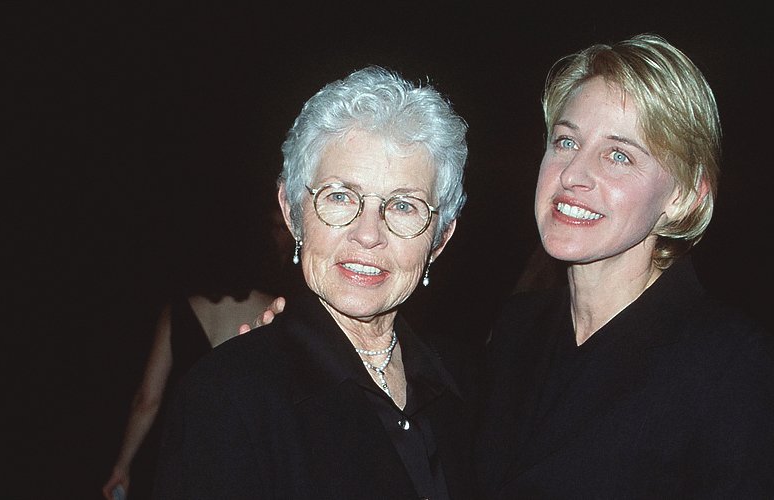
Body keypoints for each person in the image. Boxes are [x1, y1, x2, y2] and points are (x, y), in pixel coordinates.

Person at [152, 65, 477, 499]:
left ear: (439, 240)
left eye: (403, 206)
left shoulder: (470, 385)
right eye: (340, 196)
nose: (368, 234)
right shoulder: (227, 397)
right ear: (292, 211)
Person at [472, 33, 774, 497]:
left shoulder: (733, 366)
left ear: (682, 197)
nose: (572, 174)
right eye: (566, 141)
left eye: (618, 155)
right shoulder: (515, 331)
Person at [102, 207, 293, 500]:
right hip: (253, 465)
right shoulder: (280, 312)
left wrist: (122, 465)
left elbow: (147, 400)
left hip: (189, 460)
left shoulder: (177, 313)